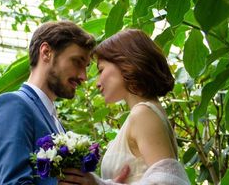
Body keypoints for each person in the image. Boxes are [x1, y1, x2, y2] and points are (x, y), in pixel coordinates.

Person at [58, 29, 190, 185]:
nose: (97, 83)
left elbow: (169, 182)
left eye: (101, 70)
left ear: (125, 63)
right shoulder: (145, 112)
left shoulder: (143, 114)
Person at [0, 20, 98, 185]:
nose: (84, 76)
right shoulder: (14, 105)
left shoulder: (55, 122)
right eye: (77, 61)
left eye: (86, 66)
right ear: (46, 52)